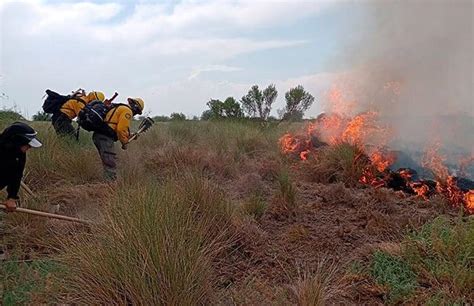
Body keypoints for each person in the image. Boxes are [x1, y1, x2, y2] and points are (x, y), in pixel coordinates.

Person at [93, 97, 144, 180]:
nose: (135, 114)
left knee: (107, 161)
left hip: (99, 135)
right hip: (105, 137)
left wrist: (130, 136)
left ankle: (106, 184)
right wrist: (124, 142)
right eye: (137, 112)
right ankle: (109, 186)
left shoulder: (120, 107)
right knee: (110, 163)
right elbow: (121, 129)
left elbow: (116, 128)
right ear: (136, 107)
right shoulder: (127, 111)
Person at [0, 122, 42, 212]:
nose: (30, 147)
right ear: (16, 141)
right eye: (28, 144)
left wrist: (11, 197)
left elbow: (16, 175)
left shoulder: (19, 154)